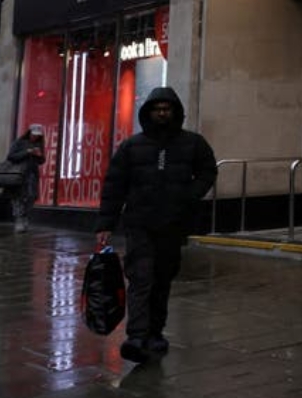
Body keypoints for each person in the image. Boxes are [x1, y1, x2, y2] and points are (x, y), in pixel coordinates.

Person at [93, 90, 218, 363]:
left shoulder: (193, 144)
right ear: (148, 112)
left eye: (167, 108)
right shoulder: (132, 146)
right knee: (141, 278)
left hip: (173, 225)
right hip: (140, 224)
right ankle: (137, 335)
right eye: (157, 108)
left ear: (175, 112)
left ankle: (155, 333)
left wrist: (190, 194)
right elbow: (115, 185)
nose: (162, 113)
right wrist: (105, 224)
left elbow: (208, 170)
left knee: (162, 280)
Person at [6, 124, 45, 232]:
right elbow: (11, 156)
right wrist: (27, 152)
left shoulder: (39, 144)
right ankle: (19, 220)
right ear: (29, 132)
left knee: (31, 197)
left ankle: (24, 217)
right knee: (18, 198)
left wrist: (39, 155)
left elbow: (42, 161)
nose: (35, 137)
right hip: (19, 174)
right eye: (34, 134)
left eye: (38, 135)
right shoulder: (19, 142)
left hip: (32, 175)